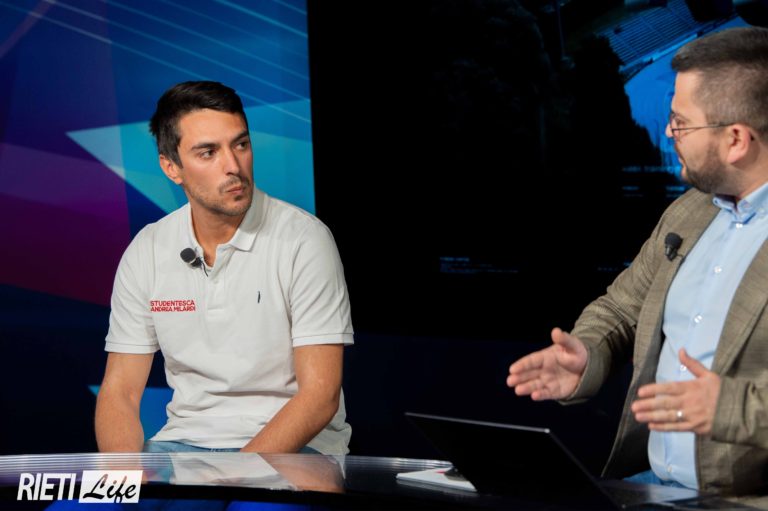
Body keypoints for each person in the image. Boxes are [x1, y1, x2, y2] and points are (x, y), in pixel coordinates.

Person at [507, 26, 768, 496]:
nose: (668, 132)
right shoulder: (689, 212)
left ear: (736, 140)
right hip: (654, 487)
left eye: (681, 122)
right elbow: (622, 307)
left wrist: (731, 407)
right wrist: (589, 352)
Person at [94, 81, 353, 455]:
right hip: (184, 444)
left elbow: (320, 397)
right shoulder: (147, 249)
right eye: (208, 153)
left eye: (241, 145)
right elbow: (120, 391)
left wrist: (233, 475)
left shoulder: (304, 240)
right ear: (171, 167)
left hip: (298, 450)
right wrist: (124, 477)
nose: (233, 166)